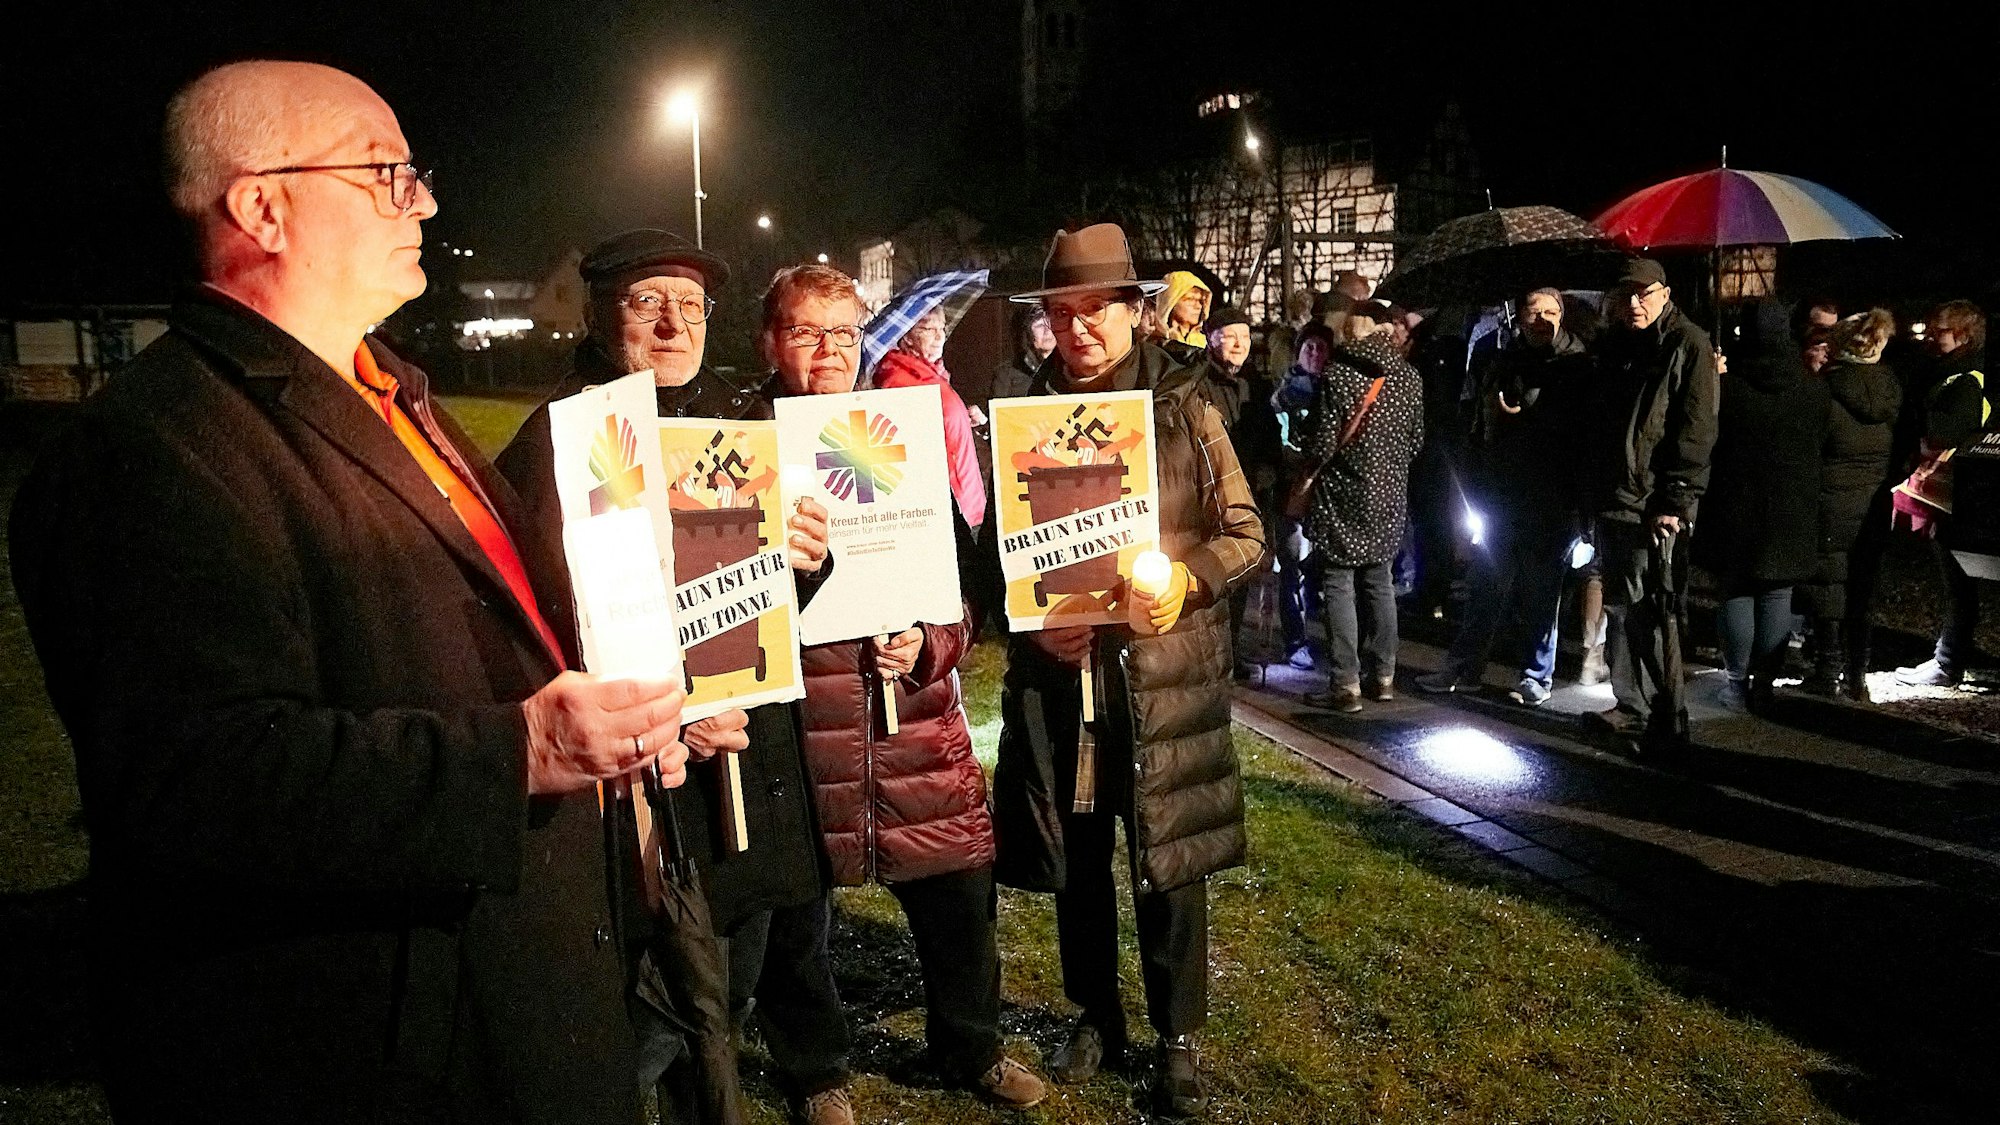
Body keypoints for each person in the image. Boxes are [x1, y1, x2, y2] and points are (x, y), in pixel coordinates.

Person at [7, 61, 692, 1124]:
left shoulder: (390, 393)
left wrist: (630, 712)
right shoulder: (149, 451)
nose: (422, 200)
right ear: (262, 205)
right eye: (385, 173)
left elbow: (501, 627)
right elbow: (193, 781)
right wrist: (518, 752)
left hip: (523, 1000)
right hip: (376, 1056)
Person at [494, 228, 831, 1122]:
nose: (674, 323)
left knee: (739, 976)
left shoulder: (749, 423)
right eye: (649, 302)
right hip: (640, 778)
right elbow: (529, 624)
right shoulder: (558, 440)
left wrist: (807, 557)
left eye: (691, 305)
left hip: (749, 762)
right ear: (604, 315)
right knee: (651, 1003)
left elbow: (790, 593)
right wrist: (673, 714)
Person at [990, 223, 1264, 1119]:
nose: (1077, 329)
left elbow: (1247, 534)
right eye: (1061, 312)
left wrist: (1186, 581)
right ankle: (1095, 1013)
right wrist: (1034, 627)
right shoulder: (1026, 416)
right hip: (1068, 684)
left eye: (1095, 310)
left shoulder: (1185, 405)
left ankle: (1176, 1033)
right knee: (1080, 854)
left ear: (1135, 313)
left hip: (1162, 677)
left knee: (1169, 860)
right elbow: (995, 557)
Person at [763, 263, 1047, 1121]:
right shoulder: (743, 444)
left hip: (915, 719)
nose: (828, 350)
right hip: (807, 730)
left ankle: (972, 1046)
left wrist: (929, 641)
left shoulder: (904, 433)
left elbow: (963, 599)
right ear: (771, 340)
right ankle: (816, 1069)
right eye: (808, 331)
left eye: (844, 332)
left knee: (960, 893)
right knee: (795, 915)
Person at [1417, 288, 1591, 706]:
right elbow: (1479, 429)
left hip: (1551, 501)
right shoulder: (1502, 359)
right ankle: (1466, 667)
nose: (1542, 319)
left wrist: (1530, 418)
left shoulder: (1577, 366)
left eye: (1551, 311)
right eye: (1534, 311)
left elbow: (1581, 434)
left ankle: (1536, 676)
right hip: (1501, 496)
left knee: (1540, 595)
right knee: (1485, 588)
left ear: (1562, 317)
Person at [1582, 258, 1719, 746]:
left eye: (1644, 294)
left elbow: (1695, 430)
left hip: (1654, 503)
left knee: (1654, 612)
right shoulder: (1618, 345)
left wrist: (1676, 499)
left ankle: (1667, 714)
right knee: (1623, 607)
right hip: (1616, 497)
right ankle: (1632, 703)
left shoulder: (1688, 344)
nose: (1634, 304)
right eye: (1627, 296)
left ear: (1664, 293)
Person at [1691, 298, 1829, 711]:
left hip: (1735, 504)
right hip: (1792, 507)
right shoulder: (1813, 389)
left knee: (1735, 593)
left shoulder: (1728, 389)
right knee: (1776, 595)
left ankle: (1736, 685)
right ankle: (1765, 684)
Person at [1299, 318, 1426, 712]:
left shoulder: (1338, 374)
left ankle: (1345, 684)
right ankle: (1385, 678)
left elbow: (1323, 444)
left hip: (1343, 494)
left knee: (1338, 583)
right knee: (1380, 582)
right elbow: (1417, 441)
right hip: (1389, 497)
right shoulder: (1408, 376)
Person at [1793, 309, 1901, 702]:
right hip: (1874, 502)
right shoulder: (1890, 387)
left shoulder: (1825, 389)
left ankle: (1826, 668)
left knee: (1828, 584)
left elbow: (1807, 447)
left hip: (1830, 498)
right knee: (1862, 587)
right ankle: (1858, 675)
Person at [1895, 300, 1991, 686]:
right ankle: (1947, 658)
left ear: (1963, 335)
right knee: (1954, 578)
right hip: (1949, 490)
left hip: (1955, 493)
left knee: (1957, 579)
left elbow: (1945, 432)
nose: (1932, 337)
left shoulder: (1966, 380)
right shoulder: (1950, 373)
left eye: (1941, 331)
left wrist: (1913, 414)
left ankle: (1948, 662)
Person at [1206, 305, 1282, 677]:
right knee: (1214, 575)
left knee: (1242, 576)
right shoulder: (1199, 383)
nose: (1239, 344)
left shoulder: (1258, 384)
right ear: (1211, 338)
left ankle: (1232, 654)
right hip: (1209, 492)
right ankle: (1212, 658)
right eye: (1230, 336)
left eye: (1245, 337)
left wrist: (1273, 468)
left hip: (1250, 491)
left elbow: (1269, 437)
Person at [871, 298, 989, 531]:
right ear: (907, 336)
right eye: (929, 329)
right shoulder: (899, 381)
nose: (940, 336)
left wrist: (964, 420)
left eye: (942, 328)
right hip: (949, 513)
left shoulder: (930, 373)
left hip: (967, 503)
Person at [1271, 321, 1337, 668]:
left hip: (1331, 494)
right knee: (1293, 567)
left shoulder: (1338, 390)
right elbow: (1279, 443)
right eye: (1308, 347)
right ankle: (1295, 640)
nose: (1314, 353)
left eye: (1321, 347)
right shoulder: (1284, 394)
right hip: (1295, 490)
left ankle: (1334, 641)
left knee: (1326, 573)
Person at [1155, 269, 1213, 361]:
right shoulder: (1152, 345)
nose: (1198, 306)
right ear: (1171, 301)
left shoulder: (1210, 343)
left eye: (1201, 301)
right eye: (1190, 299)